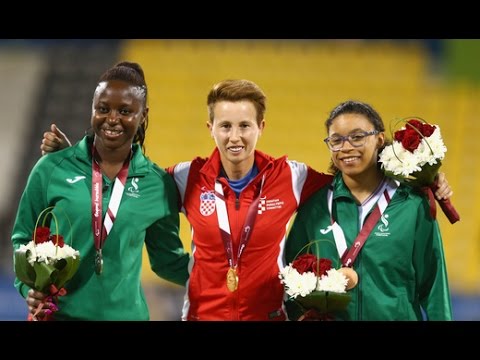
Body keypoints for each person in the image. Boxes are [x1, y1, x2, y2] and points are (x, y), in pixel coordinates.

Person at [40, 81, 454, 321]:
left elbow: (352, 172)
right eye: (224, 125)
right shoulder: (186, 177)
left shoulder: (290, 177)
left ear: (261, 127)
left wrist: (422, 179)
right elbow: (127, 186)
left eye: (244, 125)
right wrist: (76, 156)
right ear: (210, 127)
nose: (234, 136)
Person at [12, 61, 190, 320]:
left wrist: (228, 274)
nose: (113, 119)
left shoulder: (157, 184)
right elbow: (22, 239)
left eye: (125, 110)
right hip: (58, 316)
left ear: (143, 115)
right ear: (92, 109)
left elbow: (167, 261)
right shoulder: (52, 168)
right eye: (103, 109)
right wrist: (28, 287)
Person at [284, 100, 453, 320]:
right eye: (336, 140)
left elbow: (434, 286)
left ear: (379, 139)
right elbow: (292, 278)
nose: (346, 147)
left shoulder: (411, 204)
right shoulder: (314, 206)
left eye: (357, 137)